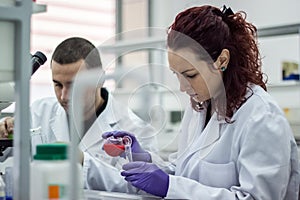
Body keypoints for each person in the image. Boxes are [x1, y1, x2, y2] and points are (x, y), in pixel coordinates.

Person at [102, 5, 300, 199]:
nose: (182, 87)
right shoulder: (200, 106)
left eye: (190, 75)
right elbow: (185, 173)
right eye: (176, 74)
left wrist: (169, 186)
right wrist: (145, 159)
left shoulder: (261, 117)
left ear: (222, 60)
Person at [0, 37, 160, 192]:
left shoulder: (137, 129)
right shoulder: (38, 112)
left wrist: (83, 161)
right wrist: (4, 132)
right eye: (58, 85)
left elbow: (139, 189)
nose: (64, 96)